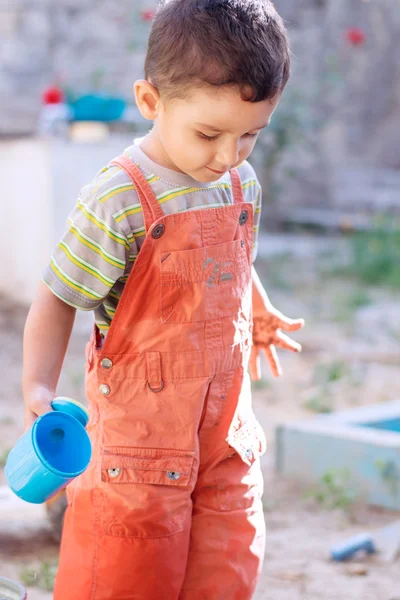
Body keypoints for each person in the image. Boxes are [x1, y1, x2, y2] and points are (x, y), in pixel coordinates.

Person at [23, 1, 304, 598]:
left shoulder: (238, 182)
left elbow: (229, 258)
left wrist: (256, 304)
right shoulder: (119, 198)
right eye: (209, 134)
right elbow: (57, 296)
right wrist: (37, 387)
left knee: (224, 573)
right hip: (139, 451)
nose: (228, 156)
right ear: (152, 102)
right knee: (126, 575)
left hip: (224, 438)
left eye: (250, 134)